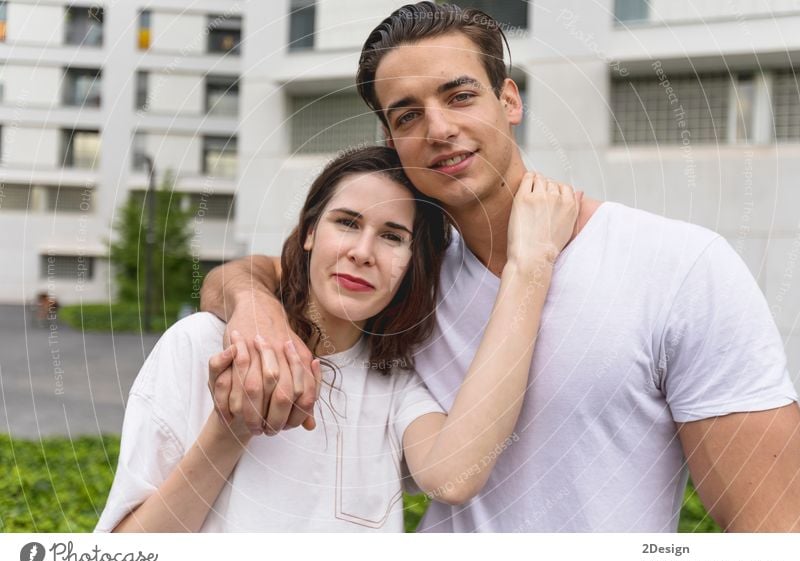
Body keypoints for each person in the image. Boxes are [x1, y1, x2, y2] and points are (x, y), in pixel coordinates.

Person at [200, 2, 800, 532]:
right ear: (391, 136)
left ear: (509, 99)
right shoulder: (409, 274)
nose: (440, 128)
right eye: (408, 115)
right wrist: (258, 313)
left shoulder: (680, 267)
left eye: (460, 96)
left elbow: (773, 526)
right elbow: (248, 275)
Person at [95, 146, 580, 532]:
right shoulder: (203, 345)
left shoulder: (397, 384)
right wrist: (231, 431)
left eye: (392, 236)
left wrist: (529, 266)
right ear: (309, 232)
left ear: (414, 262)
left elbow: (455, 476)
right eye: (347, 223)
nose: (362, 252)